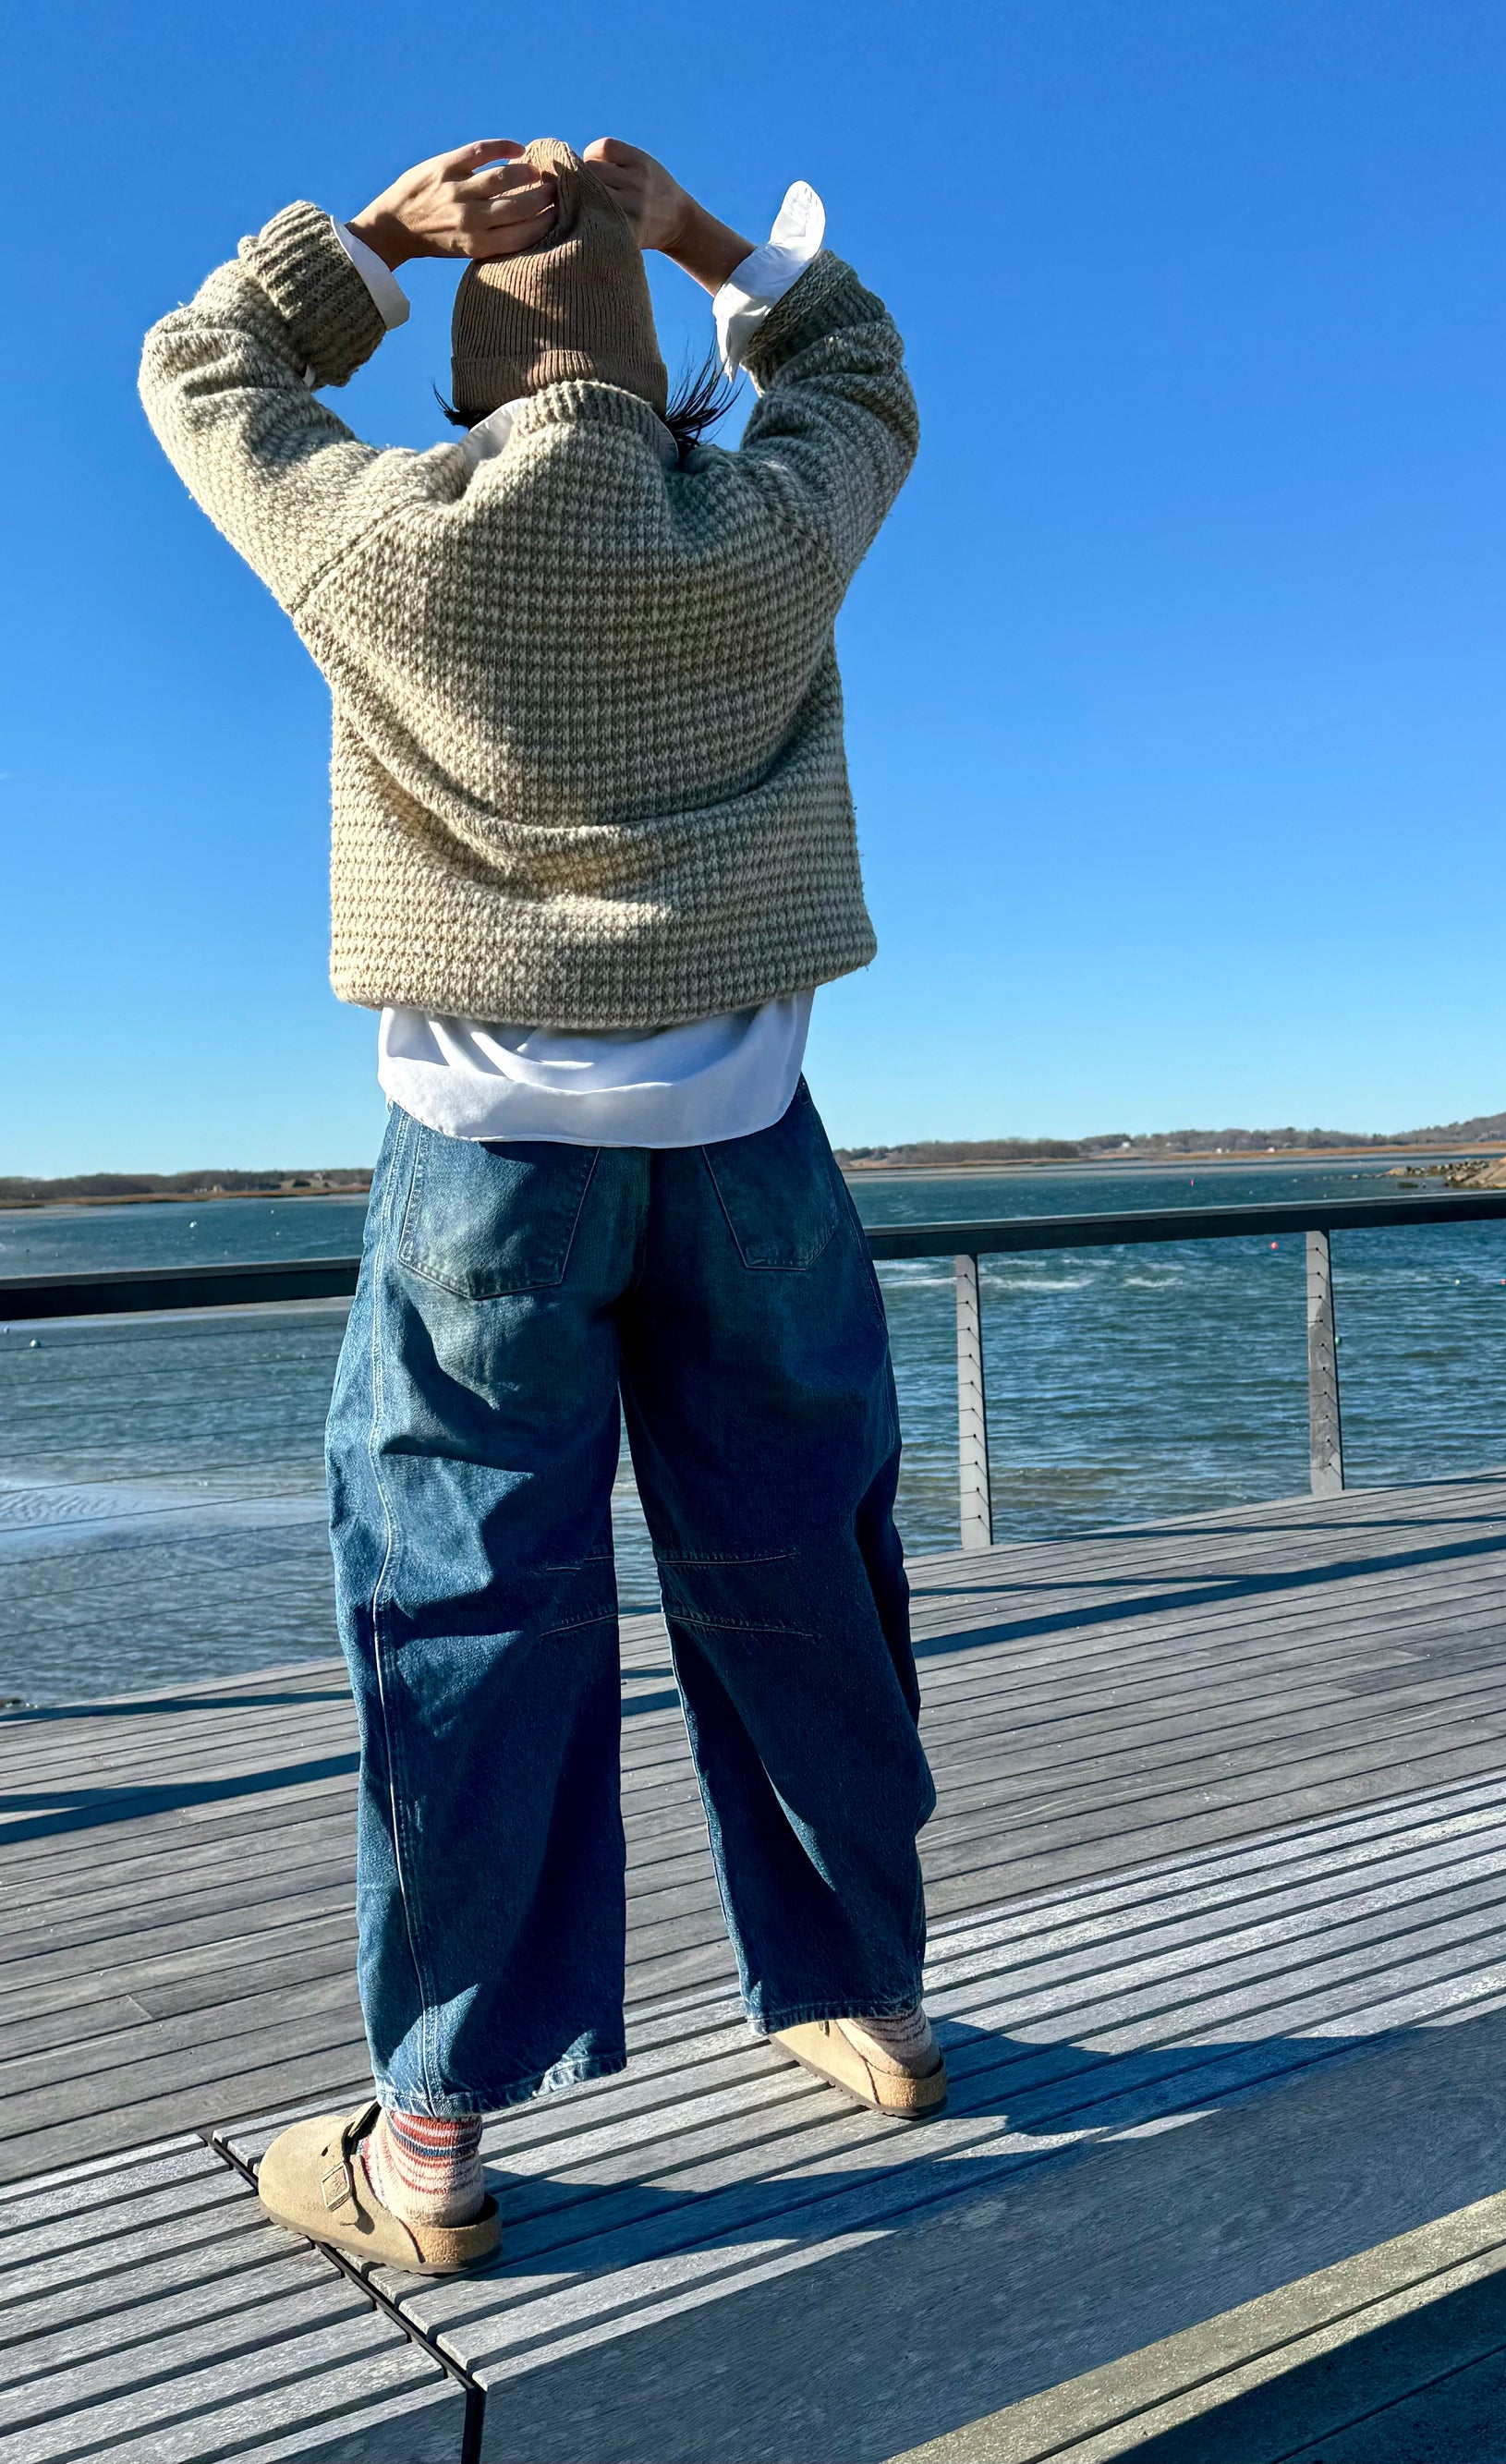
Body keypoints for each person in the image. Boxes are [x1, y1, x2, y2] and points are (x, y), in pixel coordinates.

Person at [140, 135, 939, 2277]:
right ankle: (865, 1994)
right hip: (750, 1129)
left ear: (469, 395)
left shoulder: (380, 540)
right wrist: (692, 236)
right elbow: (859, 370)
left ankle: (434, 2135)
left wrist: (382, 236)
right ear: (659, 381)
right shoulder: (766, 527)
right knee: (801, 1554)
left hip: (481, 1155)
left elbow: (198, 367)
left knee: (465, 1600)